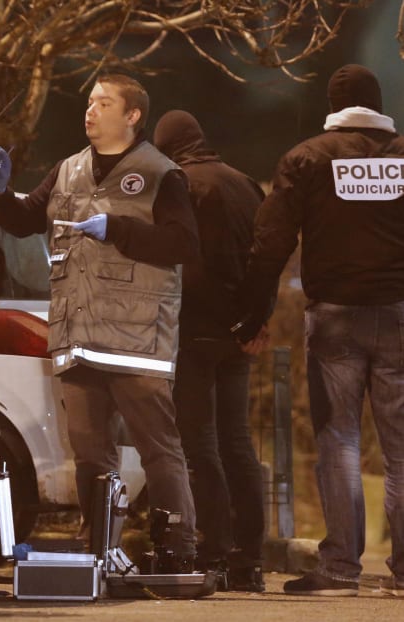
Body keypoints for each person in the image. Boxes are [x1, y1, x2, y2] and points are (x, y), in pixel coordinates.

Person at [0, 73, 199, 568]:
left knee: (158, 449)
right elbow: (21, 221)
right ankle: (99, 550)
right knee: (89, 454)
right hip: (78, 338)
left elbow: (182, 244)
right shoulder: (68, 169)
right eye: (89, 102)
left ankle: (178, 549)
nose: (91, 110)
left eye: (104, 102)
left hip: (136, 338)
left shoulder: (160, 173)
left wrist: (120, 229)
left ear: (132, 115)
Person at [235, 64, 404, 598]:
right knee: (401, 447)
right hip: (399, 313)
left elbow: (270, 243)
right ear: (378, 104)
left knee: (339, 442)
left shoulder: (307, 158)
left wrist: (254, 312)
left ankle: (339, 570)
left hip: (334, 318)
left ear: (333, 104)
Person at [153, 110, 268, 591]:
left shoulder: (180, 185)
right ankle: (250, 559)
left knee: (200, 447)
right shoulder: (246, 184)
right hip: (238, 334)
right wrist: (257, 319)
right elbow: (267, 254)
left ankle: (215, 551)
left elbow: (176, 257)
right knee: (238, 444)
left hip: (194, 330)